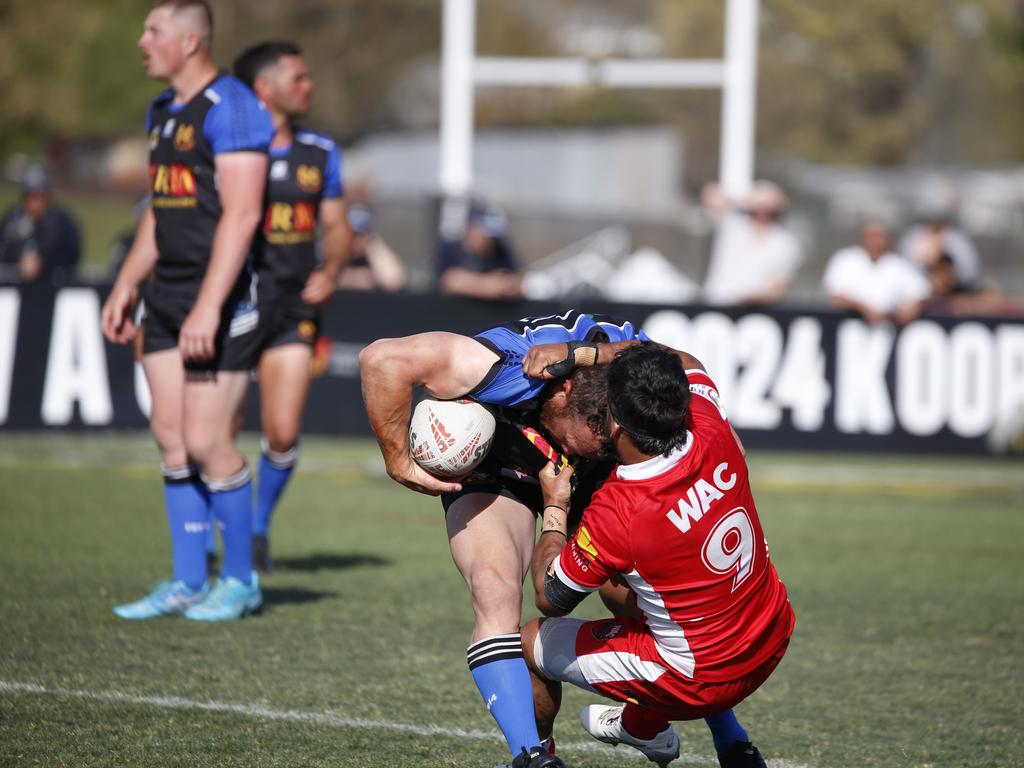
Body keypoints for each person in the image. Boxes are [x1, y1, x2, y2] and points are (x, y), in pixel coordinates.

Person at [359, 310, 761, 768]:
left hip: (588, 483)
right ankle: (534, 757)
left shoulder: (614, 398)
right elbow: (381, 359)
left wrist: (586, 356)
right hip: (500, 467)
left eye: (612, 435)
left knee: (652, 603)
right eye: (596, 433)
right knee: (494, 589)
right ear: (567, 390)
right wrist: (398, 461)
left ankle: (729, 739)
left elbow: (672, 361)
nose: (604, 439)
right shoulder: (499, 367)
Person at [522, 345, 794, 768]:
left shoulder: (619, 511)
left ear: (612, 421)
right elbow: (689, 361)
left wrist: (554, 507)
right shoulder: (708, 423)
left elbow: (550, 594)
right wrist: (593, 354)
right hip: (773, 631)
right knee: (637, 600)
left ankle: (541, 761)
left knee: (530, 640)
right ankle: (677, 733)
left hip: (699, 680)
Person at [101, 0, 274, 620]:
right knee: (171, 438)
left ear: (191, 42)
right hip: (167, 295)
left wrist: (207, 306)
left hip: (221, 301)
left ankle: (240, 579)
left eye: (154, 30)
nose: (142, 40)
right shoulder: (160, 111)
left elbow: (244, 212)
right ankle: (186, 580)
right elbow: (160, 205)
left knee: (206, 439)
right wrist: (127, 283)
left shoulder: (232, 108)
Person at [233, 40, 352, 571]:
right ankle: (225, 534)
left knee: (281, 431)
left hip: (292, 310)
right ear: (265, 87)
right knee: (220, 432)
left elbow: (337, 226)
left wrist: (330, 270)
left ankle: (257, 528)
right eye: (298, 78)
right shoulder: (231, 151)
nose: (308, 86)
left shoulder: (319, 152)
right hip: (232, 307)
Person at [701, 180, 803, 306]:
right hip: (716, 308)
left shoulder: (785, 242)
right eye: (760, 204)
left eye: (768, 205)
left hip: (754, 317)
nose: (763, 210)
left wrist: (744, 299)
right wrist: (747, 199)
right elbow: (711, 195)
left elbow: (777, 288)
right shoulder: (733, 226)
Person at [823, 222, 931, 325]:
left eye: (880, 236)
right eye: (871, 236)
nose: (875, 241)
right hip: (848, 327)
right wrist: (863, 308)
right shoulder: (845, 259)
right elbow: (835, 295)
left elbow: (923, 291)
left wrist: (913, 306)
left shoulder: (898, 264)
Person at [0, 165, 81, 283]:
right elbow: (5, 248)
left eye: (40, 197)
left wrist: (43, 261)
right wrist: (20, 258)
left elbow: (72, 254)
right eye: (31, 197)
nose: (36, 203)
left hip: (51, 287)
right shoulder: (12, 220)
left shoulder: (62, 223)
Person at [435, 204, 523, 299]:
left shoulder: (500, 248)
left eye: (493, 236)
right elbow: (448, 281)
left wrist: (506, 285)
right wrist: (485, 285)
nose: (489, 240)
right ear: (472, 229)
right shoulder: (451, 248)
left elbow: (518, 280)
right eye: (484, 234)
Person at [337, 202, 405, 291]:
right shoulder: (337, 254)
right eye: (353, 235)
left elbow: (394, 282)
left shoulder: (375, 255)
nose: (356, 240)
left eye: (361, 235)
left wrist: (373, 246)